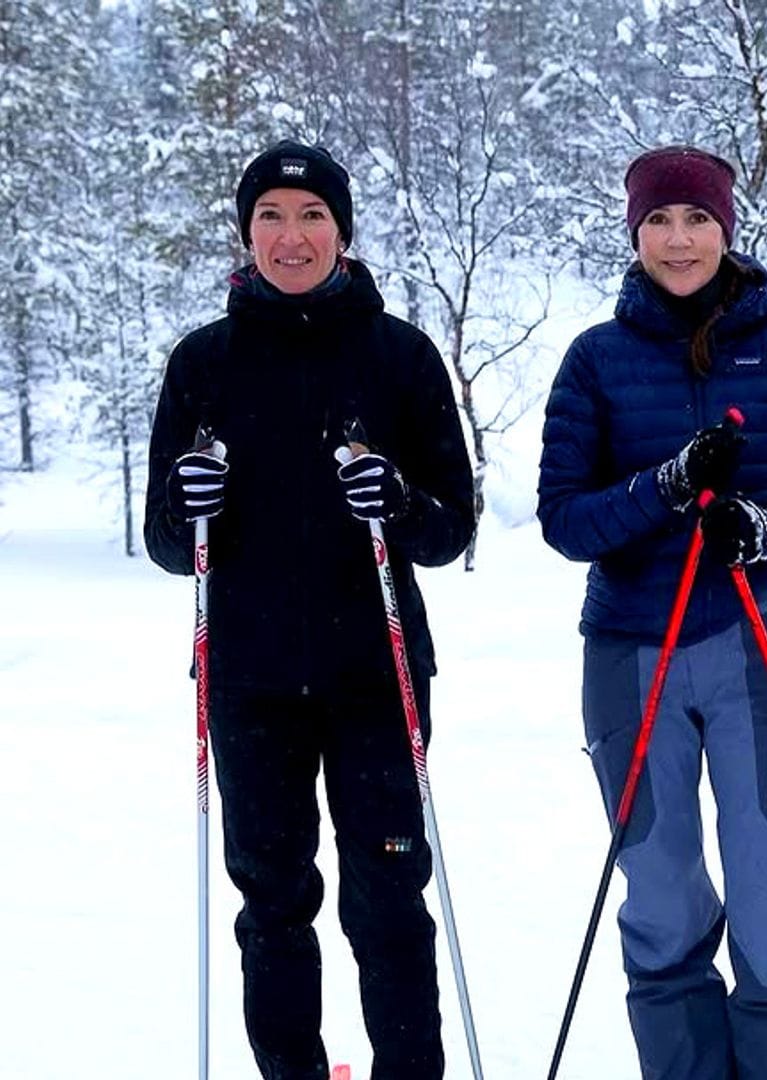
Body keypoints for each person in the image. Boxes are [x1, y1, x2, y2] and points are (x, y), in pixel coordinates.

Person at [144, 139, 476, 1079]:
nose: (292, 237)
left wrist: (400, 504)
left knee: (387, 892)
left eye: (312, 216)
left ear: (342, 229)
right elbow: (170, 544)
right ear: (247, 235)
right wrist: (187, 499)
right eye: (271, 218)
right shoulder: (203, 362)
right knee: (274, 900)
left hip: (376, 675)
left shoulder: (399, 355)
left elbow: (451, 528)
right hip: (248, 680)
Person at [536, 145, 767, 1080]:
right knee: (662, 891)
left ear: (727, 227)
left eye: (698, 220)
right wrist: (666, 487)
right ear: (635, 234)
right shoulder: (597, 359)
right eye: (660, 222)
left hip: (752, 641)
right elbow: (565, 518)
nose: (679, 240)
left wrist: (765, 529)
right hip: (632, 649)